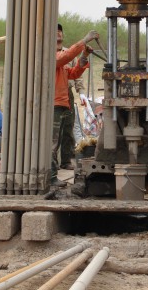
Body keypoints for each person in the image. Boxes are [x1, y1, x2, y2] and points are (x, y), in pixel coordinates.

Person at [51, 24, 98, 187]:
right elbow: (66, 56)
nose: (58, 34)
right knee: (52, 142)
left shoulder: (62, 57)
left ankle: (60, 166)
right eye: (55, 32)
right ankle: (50, 178)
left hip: (63, 103)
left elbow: (73, 73)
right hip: (52, 104)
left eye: (60, 32)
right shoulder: (48, 55)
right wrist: (84, 40)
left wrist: (84, 56)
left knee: (64, 135)